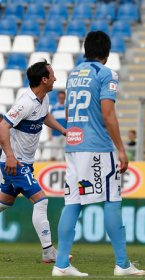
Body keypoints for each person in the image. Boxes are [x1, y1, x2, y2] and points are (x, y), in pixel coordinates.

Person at [52, 31, 145, 277]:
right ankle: (122, 263)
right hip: (96, 148)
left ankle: (61, 263)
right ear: (107, 52)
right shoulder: (105, 74)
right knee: (112, 200)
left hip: (73, 145)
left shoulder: (74, 73)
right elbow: (108, 113)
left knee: (72, 202)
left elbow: (67, 108)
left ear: (85, 50)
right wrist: (121, 149)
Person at [0, 60, 67, 263]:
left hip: (25, 162)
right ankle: (48, 251)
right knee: (41, 200)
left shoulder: (43, 99)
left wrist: (63, 130)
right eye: (52, 75)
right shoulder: (25, 103)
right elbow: (3, 126)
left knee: (5, 202)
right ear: (44, 79)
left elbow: (45, 117)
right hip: (15, 162)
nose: (55, 78)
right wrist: (10, 156)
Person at [47, 90, 66, 161]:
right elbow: (50, 122)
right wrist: (49, 134)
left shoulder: (67, 108)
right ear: (58, 98)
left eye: (63, 97)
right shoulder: (53, 109)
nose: (61, 99)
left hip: (66, 134)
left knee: (66, 155)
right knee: (53, 155)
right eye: (60, 97)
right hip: (55, 134)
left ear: (65, 98)